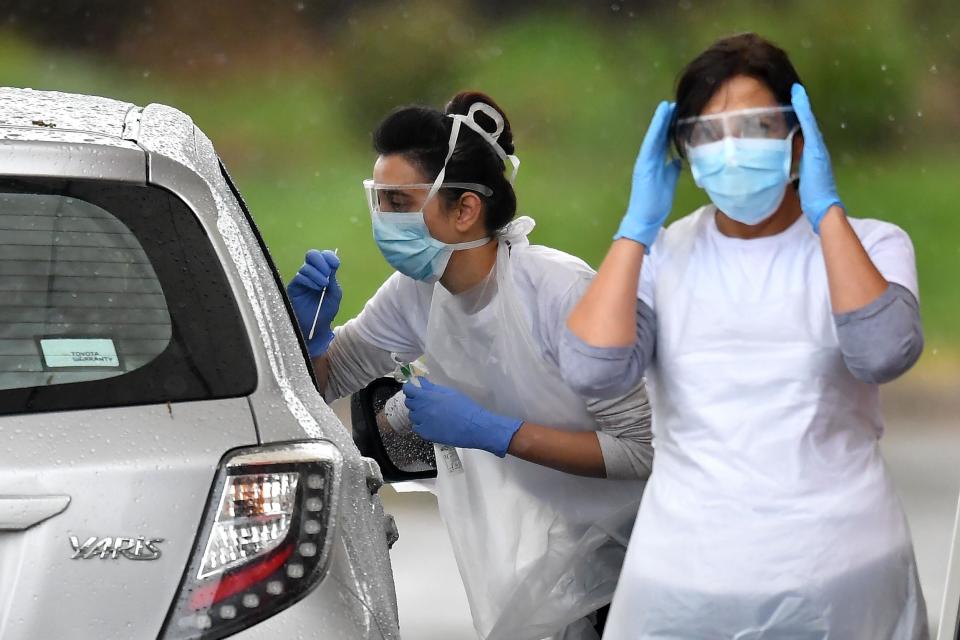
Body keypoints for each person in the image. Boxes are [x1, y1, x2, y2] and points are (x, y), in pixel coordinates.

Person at [561, 33, 928, 639]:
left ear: (797, 135)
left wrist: (827, 213)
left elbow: (883, 351)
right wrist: (636, 227)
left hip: (840, 573)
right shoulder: (662, 255)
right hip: (682, 580)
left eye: (757, 125)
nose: (732, 150)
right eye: (709, 132)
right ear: (683, 150)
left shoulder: (870, 244)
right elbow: (593, 370)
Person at [287, 91, 653, 640]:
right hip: (563, 562)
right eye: (378, 201)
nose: (383, 219)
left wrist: (493, 433)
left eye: (399, 201)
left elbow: (644, 451)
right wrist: (310, 341)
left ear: (464, 209)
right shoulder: (415, 292)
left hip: (647, 554)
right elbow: (322, 388)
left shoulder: (562, 293)